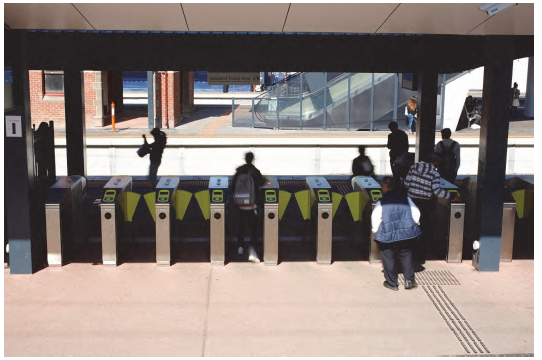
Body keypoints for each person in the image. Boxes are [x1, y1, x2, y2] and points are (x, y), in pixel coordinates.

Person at [403, 153, 461, 268]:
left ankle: (408, 255)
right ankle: (419, 258)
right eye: (438, 162)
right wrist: (452, 196)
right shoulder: (434, 173)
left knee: (410, 228)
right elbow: (437, 191)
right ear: (434, 161)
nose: (439, 165)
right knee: (423, 230)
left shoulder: (414, 167)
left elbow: (406, 183)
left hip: (411, 202)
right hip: (425, 204)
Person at [372, 177, 421, 291]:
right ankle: (409, 281)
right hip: (406, 234)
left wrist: (376, 230)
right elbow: (416, 213)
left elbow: (375, 219)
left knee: (388, 258)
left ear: (384, 188)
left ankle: (392, 283)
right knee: (406, 256)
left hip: (387, 236)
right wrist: (413, 224)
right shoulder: (406, 199)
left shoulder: (381, 202)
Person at [232, 152, 264, 262]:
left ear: (245, 159)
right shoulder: (255, 172)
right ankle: (252, 248)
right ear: (252, 159)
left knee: (241, 226)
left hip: (240, 205)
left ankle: (240, 247)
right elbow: (261, 184)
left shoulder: (239, 171)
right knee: (253, 228)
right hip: (252, 205)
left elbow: (233, 186)